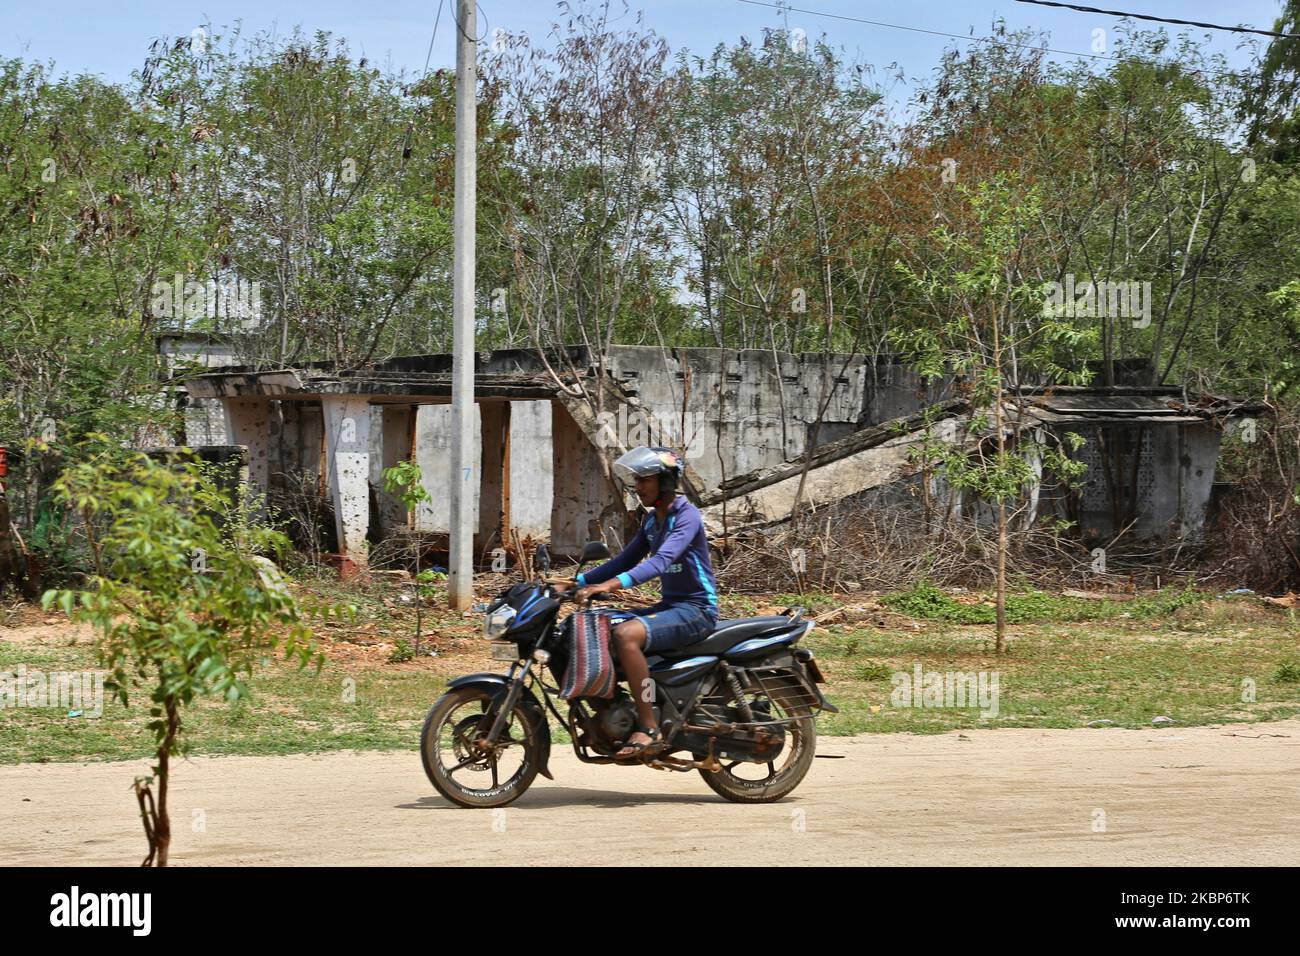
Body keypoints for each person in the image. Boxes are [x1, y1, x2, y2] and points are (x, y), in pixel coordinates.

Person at [557, 446, 719, 759]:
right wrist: (576, 583)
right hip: (672, 606)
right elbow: (623, 560)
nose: (638, 486)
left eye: (645, 480)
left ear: (666, 482)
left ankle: (648, 726)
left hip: (697, 609)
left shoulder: (686, 516)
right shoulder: (650, 522)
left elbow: (660, 561)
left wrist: (610, 587)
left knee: (625, 635)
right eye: (637, 480)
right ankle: (617, 709)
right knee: (602, 628)